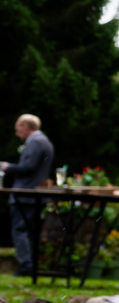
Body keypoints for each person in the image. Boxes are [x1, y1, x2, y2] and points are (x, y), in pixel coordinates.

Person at [4, 115, 53, 277]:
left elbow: (28, 167)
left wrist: (7, 167)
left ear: (25, 126)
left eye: (18, 128)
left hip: (25, 194)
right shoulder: (43, 141)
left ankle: (26, 266)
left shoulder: (36, 142)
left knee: (20, 230)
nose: (16, 132)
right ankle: (30, 265)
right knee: (29, 231)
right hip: (33, 195)